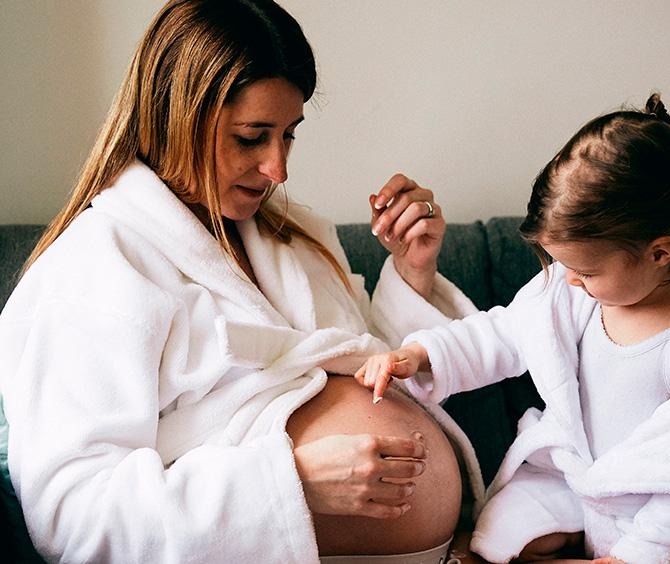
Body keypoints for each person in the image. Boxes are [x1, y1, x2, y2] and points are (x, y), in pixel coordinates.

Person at [0, 1, 487, 562]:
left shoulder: (296, 238)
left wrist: (411, 271)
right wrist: (287, 485)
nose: (278, 169)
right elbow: (73, 519)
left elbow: (365, 366)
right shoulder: (97, 267)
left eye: (289, 135)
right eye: (253, 137)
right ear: (173, 117)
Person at [355, 94, 670, 563]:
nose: (569, 280)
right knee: (495, 537)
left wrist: (645, 549)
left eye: (586, 270)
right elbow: (504, 332)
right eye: (563, 265)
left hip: (651, 503)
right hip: (577, 479)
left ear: (660, 252)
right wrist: (420, 355)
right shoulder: (577, 290)